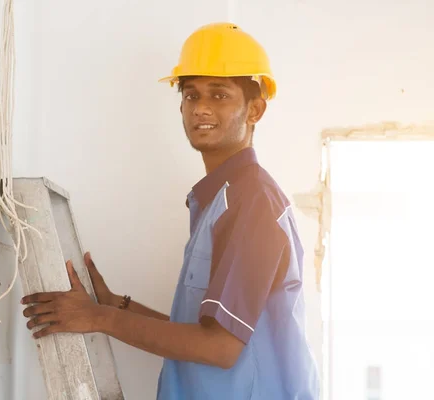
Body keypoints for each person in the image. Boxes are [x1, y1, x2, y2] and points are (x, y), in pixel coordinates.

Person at [21, 22, 320, 399]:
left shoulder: (253, 201)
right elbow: (201, 333)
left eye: (220, 95)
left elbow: (221, 347)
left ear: (255, 109)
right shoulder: (220, 199)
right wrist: (117, 306)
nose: (202, 108)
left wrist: (100, 318)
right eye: (192, 95)